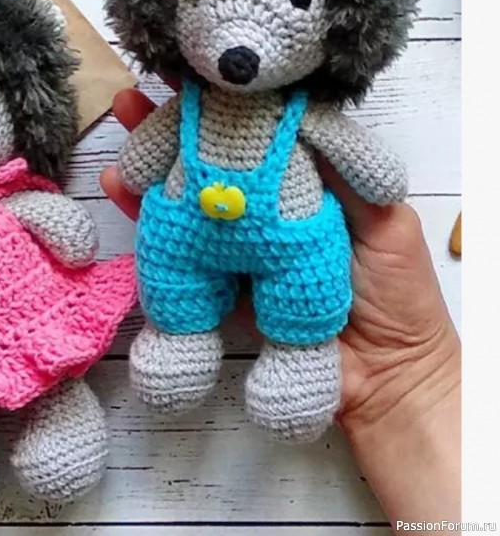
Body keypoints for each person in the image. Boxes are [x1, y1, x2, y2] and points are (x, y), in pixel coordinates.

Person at [100, 87, 462, 528]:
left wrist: (408, 377)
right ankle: (180, 335)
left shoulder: (306, 113)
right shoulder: (189, 106)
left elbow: (382, 178)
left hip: (291, 245)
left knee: (306, 290)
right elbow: (135, 169)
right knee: (172, 276)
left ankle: (301, 355)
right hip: (187, 235)